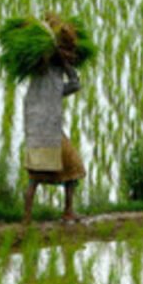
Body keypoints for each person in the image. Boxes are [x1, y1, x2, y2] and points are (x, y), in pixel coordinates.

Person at [22, 22, 86, 224]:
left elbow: (73, 86)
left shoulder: (47, 70)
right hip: (46, 127)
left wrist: (63, 61)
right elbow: (75, 83)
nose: (71, 58)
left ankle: (28, 218)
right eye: (68, 53)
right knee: (72, 166)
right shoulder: (44, 66)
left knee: (37, 175)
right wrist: (63, 62)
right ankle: (65, 212)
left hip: (37, 126)